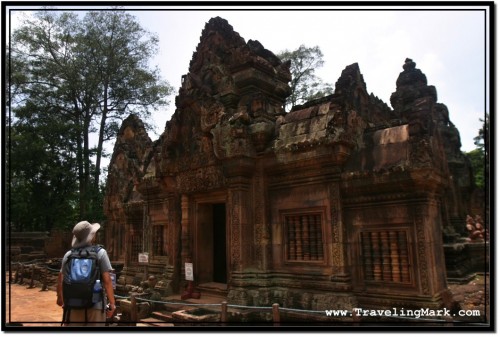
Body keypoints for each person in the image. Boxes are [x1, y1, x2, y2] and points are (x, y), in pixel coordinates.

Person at [56, 221, 117, 326]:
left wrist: (61, 299)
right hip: (96, 304)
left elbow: (61, 279)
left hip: (73, 304)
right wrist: (112, 304)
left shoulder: (68, 255)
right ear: (91, 236)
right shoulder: (100, 253)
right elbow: (107, 281)